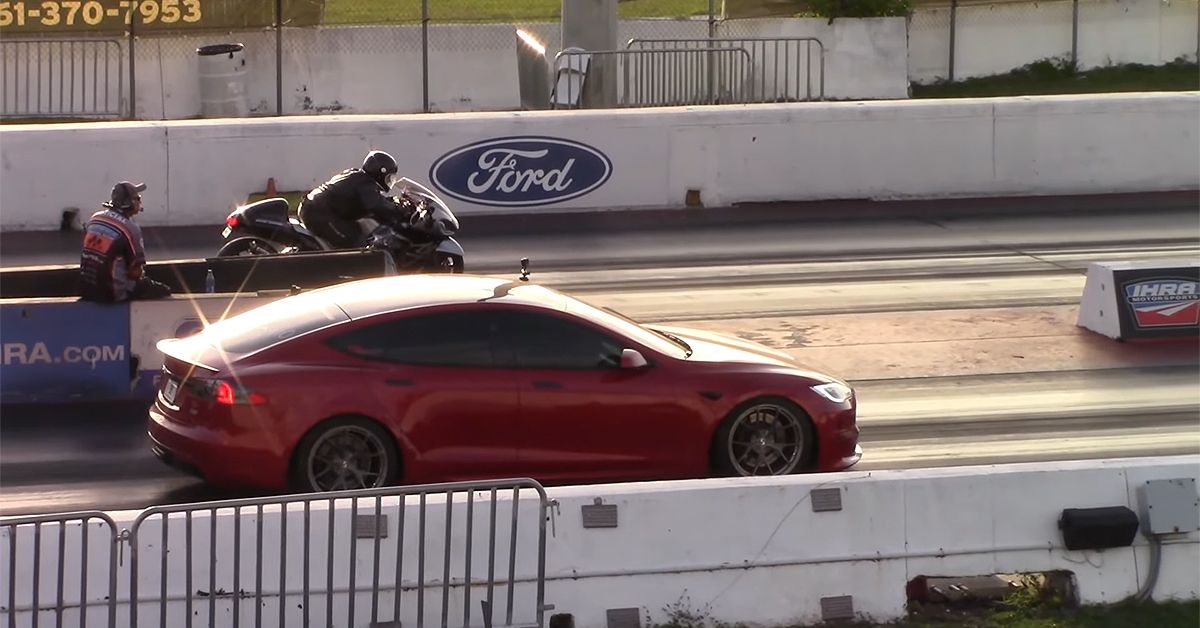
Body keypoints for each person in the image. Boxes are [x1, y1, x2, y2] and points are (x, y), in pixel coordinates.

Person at [297, 150, 412, 249]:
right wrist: (399, 211)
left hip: (313, 209)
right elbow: (375, 205)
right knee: (358, 243)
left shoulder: (358, 177)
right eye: (389, 178)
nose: (389, 181)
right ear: (380, 172)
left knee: (358, 230)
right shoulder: (366, 183)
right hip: (319, 214)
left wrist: (393, 202)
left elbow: (375, 200)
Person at [79, 181, 172, 303]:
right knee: (163, 290)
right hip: (111, 294)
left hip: (87, 288)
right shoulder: (130, 228)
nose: (140, 201)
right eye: (137, 198)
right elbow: (135, 271)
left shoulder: (95, 218)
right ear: (128, 202)